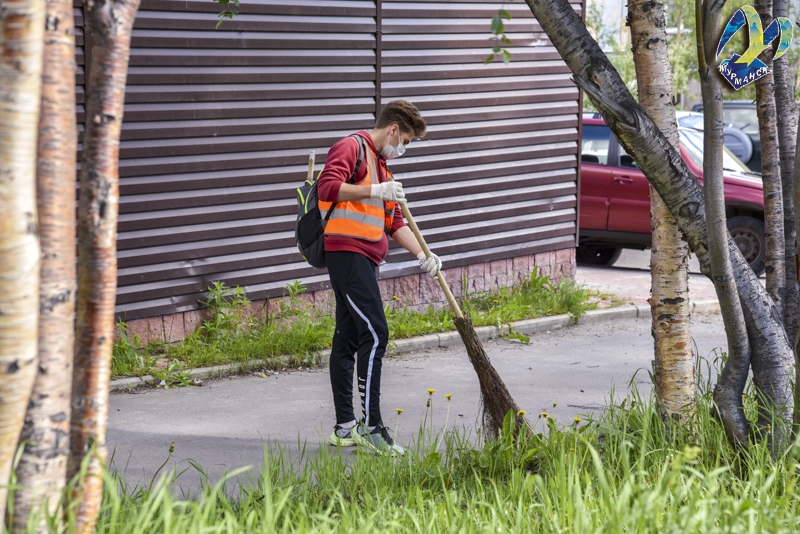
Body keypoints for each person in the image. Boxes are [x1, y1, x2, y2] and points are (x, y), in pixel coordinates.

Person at [316, 100, 442, 456]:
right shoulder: (351, 147)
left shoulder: (382, 168)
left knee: (348, 338)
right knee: (375, 333)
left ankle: (344, 428)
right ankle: (372, 427)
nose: (403, 149)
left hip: (364, 258)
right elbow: (327, 187)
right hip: (346, 252)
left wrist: (423, 255)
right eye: (406, 141)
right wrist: (374, 190)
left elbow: (395, 222)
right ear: (394, 130)